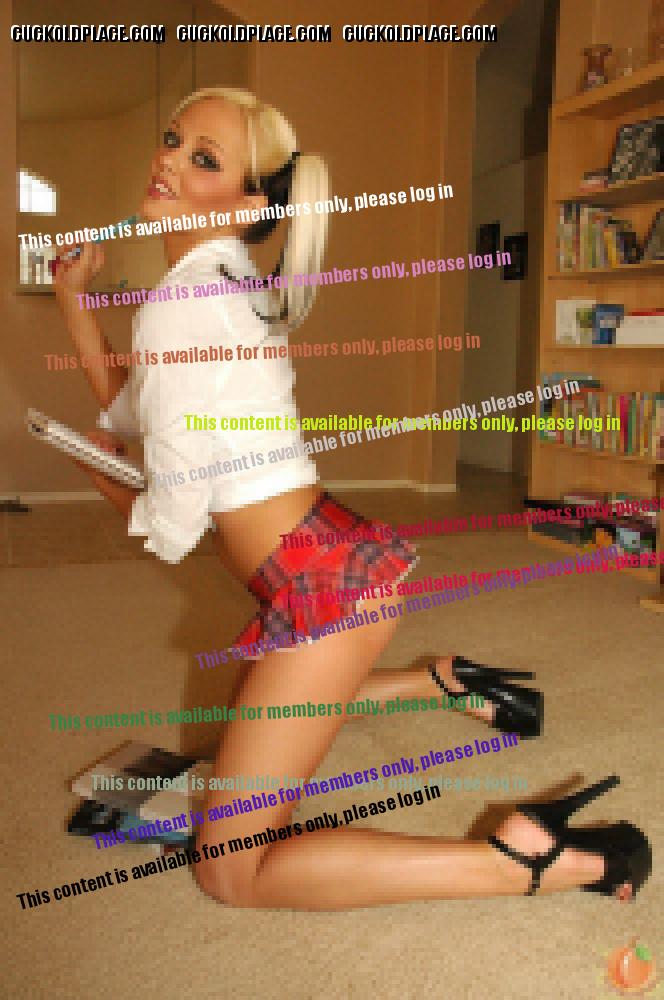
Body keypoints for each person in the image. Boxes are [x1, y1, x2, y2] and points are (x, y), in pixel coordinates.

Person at [54, 87, 650, 910]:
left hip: (323, 587)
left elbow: (171, 526)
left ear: (248, 202)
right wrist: (74, 304)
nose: (168, 159)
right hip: (321, 571)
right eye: (173, 138)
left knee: (230, 872)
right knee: (251, 710)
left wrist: (104, 476)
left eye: (203, 157)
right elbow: (134, 412)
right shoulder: (215, 284)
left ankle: (531, 860)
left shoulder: (186, 304)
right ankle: (441, 681)